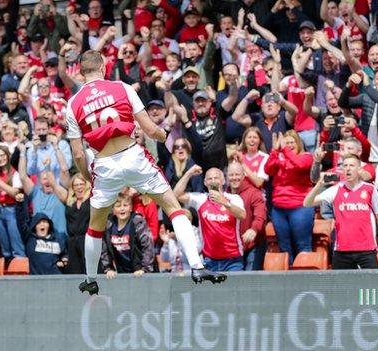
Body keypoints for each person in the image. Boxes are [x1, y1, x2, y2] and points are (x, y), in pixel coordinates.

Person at [66, 50, 225, 295]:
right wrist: (164, 135)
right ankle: (196, 266)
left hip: (104, 164)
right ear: (103, 68)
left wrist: (89, 178)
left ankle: (90, 278)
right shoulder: (122, 88)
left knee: (95, 226)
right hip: (132, 156)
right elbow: (151, 129)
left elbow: (78, 154)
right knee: (173, 207)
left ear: (80, 72)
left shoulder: (73, 103)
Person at [304, 154, 378, 269]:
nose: (348, 168)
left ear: (359, 169)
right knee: (343, 287)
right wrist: (318, 185)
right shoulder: (336, 189)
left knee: (371, 287)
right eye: (345, 165)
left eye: (351, 165)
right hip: (342, 251)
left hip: (366, 250)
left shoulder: (370, 189)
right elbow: (307, 203)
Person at [174, 166, 247, 272]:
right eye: (210, 178)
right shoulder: (200, 199)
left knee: (233, 289)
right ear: (205, 182)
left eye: (216, 178)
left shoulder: (234, 198)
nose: (213, 181)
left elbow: (242, 215)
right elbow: (176, 194)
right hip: (209, 260)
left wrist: (224, 202)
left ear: (223, 181)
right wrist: (189, 173)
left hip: (233, 260)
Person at [263, 130, 314, 265]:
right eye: (286, 142)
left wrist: (284, 149)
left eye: (292, 142)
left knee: (302, 245)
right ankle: (288, 280)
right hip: (279, 208)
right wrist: (274, 150)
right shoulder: (280, 157)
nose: (289, 145)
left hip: (300, 207)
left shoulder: (306, 156)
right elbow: (268, 170)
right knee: (284, 248)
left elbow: (300, 165)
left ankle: (306, 277)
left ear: (298, 143)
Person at [100, 192, 155, 278]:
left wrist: (145, 269)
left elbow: (148, 246)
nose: (122, 209)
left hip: (141, 272)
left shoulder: (137, 221)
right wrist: (108, 268)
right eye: (118, 206)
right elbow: (104, 249)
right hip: (122, 273)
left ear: (131, 208)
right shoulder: (109, 224)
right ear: (113, 209)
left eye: (125, 205)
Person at [226, 162, 267, 270]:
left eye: (237, 174)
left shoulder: (254, 193)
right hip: (233, 248)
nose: (234, 178)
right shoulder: (224, 195)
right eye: (231, 175)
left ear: (243, 176)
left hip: (253, 245)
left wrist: (253, 230)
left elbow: (260, 216)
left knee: (250, 279)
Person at [15, 193, 67, 275]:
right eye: (38, 223)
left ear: (49, 226)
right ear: (34, 226)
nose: (42, 225)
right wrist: (19, 204)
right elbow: (21, 222)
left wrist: (64, 260)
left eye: (44, 222)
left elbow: (65, 254)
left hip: (56, 279)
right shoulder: (30, 239)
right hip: (37, 281)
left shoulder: (58, 239)